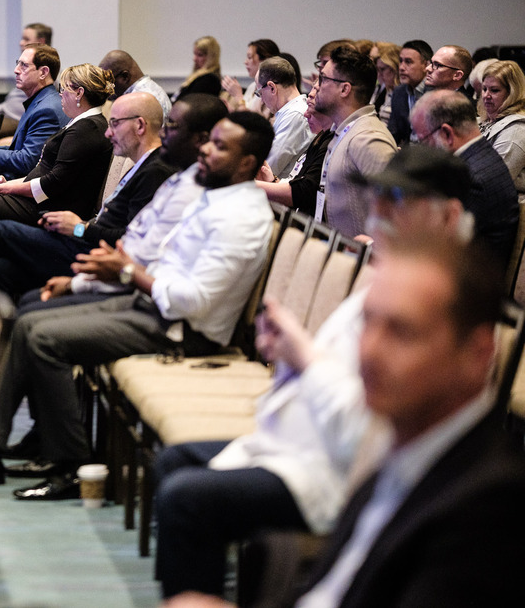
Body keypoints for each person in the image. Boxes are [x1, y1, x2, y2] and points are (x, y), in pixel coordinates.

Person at [156, 142, 477, 602]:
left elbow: (366, 437)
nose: (378, 218)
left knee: (186, 499)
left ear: (448, 216)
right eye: (379, 200)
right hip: (299, 446)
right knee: (175, 461)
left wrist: (303, 355)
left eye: (398, 202)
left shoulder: (438, 305)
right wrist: (286, 354)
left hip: (334, 473)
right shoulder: (391, 280)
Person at [164, 234, 525, 608]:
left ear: (478, 355)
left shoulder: (492, 504)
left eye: (401, 331)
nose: (370, 351)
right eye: (367, 322)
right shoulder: (399, 462)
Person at [0, 112, 276, 499]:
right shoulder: (212, 195)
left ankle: (72, 466)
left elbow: (194, 301)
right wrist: (112, 275)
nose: (205, 150)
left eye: (219, 146)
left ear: (247, 163)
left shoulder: (242, 217)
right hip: (152, 308)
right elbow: (154, 261)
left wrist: (126, 272)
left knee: (43, 337)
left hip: (183, 332)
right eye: (209, 140)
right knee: (28, 321)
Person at [0, 93, 224, 302]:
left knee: (0, 231)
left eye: (114, 124)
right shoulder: (146, 165)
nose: (108, 133)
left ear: (139, 126)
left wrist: (80, 228)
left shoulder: (157, 171)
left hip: (95, 253)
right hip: (87, 241)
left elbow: (125, 239)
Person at [0, 62, 115, 256]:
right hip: (39, 200)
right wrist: (10, 184)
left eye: (64, 89)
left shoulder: (87, 128)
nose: (60, 95)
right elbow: (45, 170)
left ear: (79, 93)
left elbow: (53, 182)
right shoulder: (83, 124)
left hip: (48, 209)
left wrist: (10, 188)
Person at [410, 89, 518, 264]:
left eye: (423, 140)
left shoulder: (472, 180)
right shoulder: (480, 155)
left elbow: (442, 248)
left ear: (447, 134)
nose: (423, 149)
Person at [314, 45, 397, 237]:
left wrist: (373, 245)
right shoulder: (344, 130)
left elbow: (397, 206)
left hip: (362, 254)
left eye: (324, 78)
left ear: (344, 89)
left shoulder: (367, 138)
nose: (317, 85)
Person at [0, 44, 69, 179]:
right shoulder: (40, 102)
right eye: (17, 63)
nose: (16, 70)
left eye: (24, 65)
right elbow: (21, 152)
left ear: (43, 72)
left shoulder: (46, 109)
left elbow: (28, 162)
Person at [255, 80, 333, 216]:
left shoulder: (296, 116)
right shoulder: (320, 138)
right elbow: (300, 181)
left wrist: (249, 185)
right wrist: (273, 181)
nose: (305, 114)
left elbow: (305, 191)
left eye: (311, 110)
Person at [0, 22, 54, 137]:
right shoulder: (26, 75)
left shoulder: (50, 75)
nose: (21, 43)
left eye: (26, 39)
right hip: (7, 115)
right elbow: (10, 102)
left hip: (18, 120)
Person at [256, 57, 313, 177]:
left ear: (272, 88)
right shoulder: (291, 112)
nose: (261, 100)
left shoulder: (295, 115)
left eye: (260, 93)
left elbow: (268, 169)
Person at [479, 59, 525, 198]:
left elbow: (492, 180)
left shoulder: (516, 131)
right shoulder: (482, 120)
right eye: (484, 89)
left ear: (512, 93)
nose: (486, 96)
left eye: (494, 90)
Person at [100, 49, 173, 118]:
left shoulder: (141, 101)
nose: (104, 90)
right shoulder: (151, 91)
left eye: (107, 83)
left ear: (125, 77)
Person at [387, 39, 433, 146]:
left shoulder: (436, 94)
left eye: (408, 62)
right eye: (400, 61)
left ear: (426, 65)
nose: (401, 67)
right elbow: (393, 133)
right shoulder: (399, 92)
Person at [222, 39, 279, 115]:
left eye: (249, 57)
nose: (245, 62)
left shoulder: (270, 90)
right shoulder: (252, 86)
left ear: (265, 60)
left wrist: (238, 96)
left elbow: (257, 120)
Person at [371, 42, 400, 124]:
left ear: (394, 68)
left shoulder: (404, 93)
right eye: (378, 69)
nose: (379, 74)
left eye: (382, 69)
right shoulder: (388, 90)